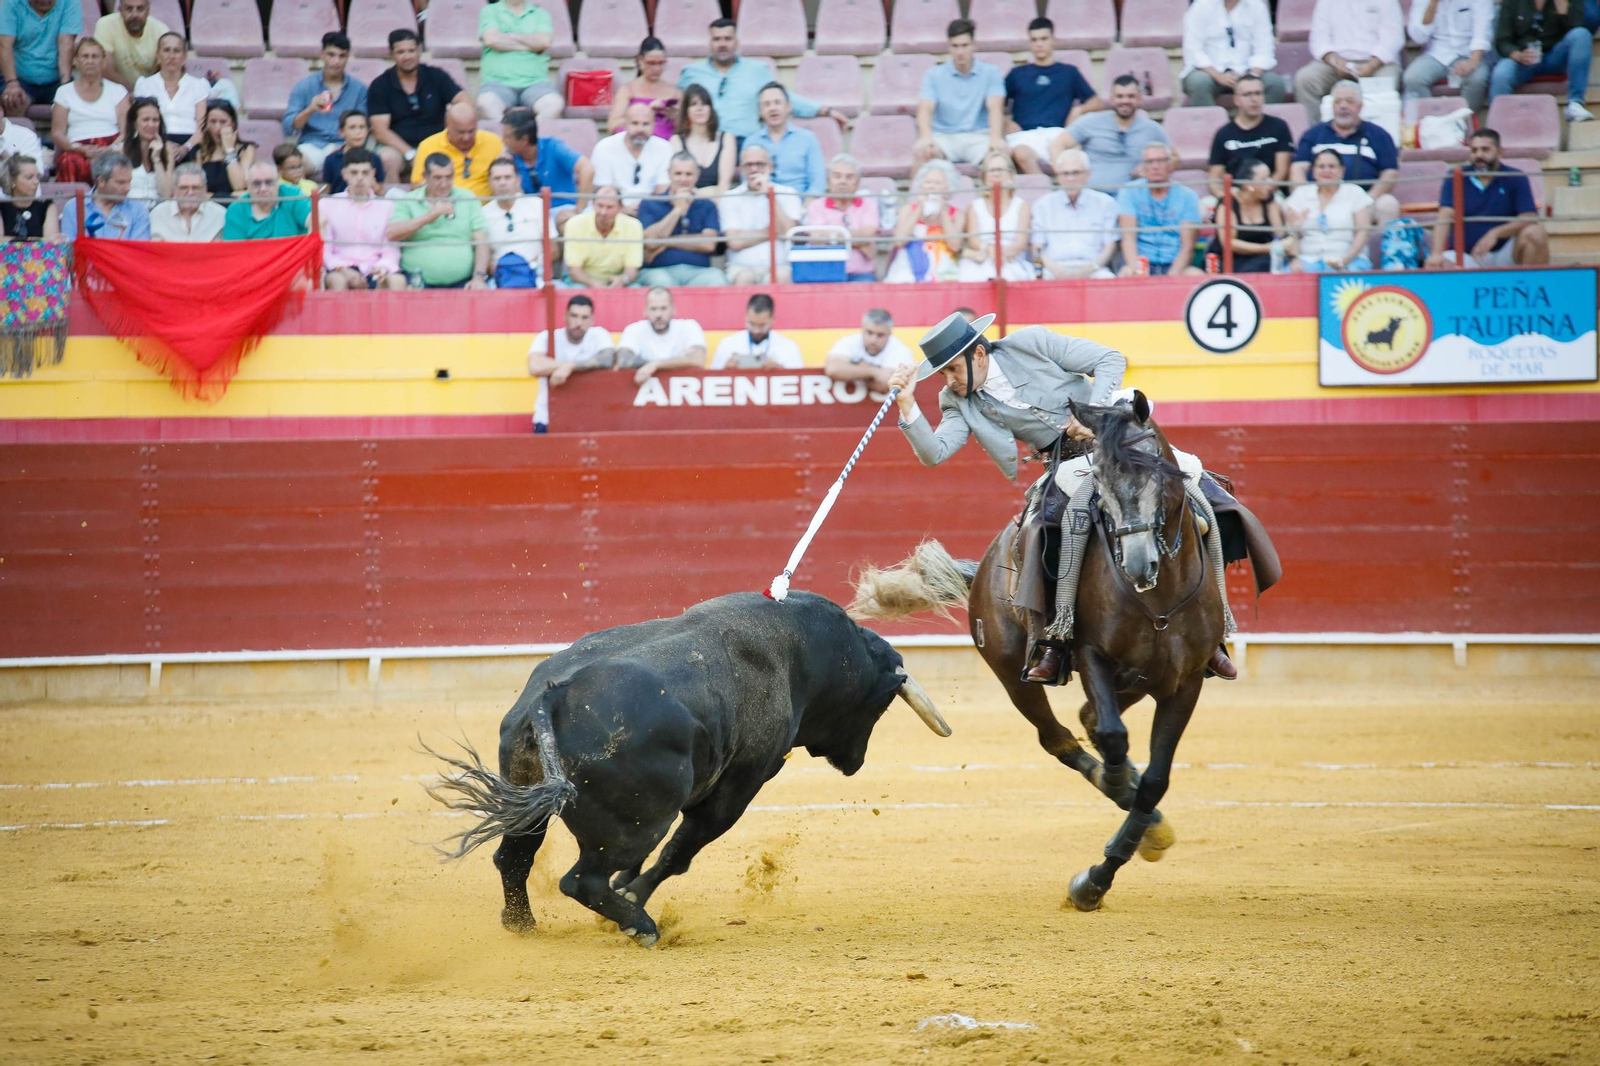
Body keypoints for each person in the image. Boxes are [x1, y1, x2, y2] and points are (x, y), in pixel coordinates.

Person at [884, 312, 1240, 683]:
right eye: (942, 374)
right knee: (1039, 534)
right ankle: (1053, 640)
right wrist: (907, 404)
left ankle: (1210, 633)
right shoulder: (956, 401)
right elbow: (935, 452)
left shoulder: (1031, 342)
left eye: (953, 369)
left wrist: (1093, 416)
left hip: (1119, 439)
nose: (949, 381)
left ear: (978, 355)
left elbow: (1109, 359)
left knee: (1206, 497)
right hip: (1067, 464)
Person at [677, 17, 848, 140]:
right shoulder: (692, 73)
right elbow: (675, 102)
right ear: (710, 42)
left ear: (736, 42)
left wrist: (826, 111)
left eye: (727, 39)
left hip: (747, 141)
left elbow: (785, 99)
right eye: (717, 39)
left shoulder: (757, 70)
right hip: (708, 142)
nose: (722, 44)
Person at [1427, 128, 1550, 267]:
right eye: (1474, 150)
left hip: (1504, 253)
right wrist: (1436, 254)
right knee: (1438, 264)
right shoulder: (1456, 176)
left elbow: (1529, 217)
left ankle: (1529, 286)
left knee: (1535, 233)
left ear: (1500, 151)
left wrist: (1495, 233)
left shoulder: (1515, 177)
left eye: (1485, 150)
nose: (1479, 155)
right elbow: (1445, 215)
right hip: (1465, 257)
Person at [1291, 80, 1400, 226]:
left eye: (1350, 101)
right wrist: (1305, 197)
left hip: (1365, 199)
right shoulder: (1313, 134)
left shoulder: (1379, 134)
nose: (1343, 106)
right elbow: (1298, 168)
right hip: (1319, 201)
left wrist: (1367, 200)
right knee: (1288, 205)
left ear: (1360, 106)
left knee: (1388, 204)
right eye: (1338, 102)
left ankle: (1383, 249)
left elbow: (1390, 172)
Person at [367, 28, 470, 181]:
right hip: (399, 149)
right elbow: (380, 131)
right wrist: (411, 154)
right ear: (391, 54)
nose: (407, 56)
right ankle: (393, 202)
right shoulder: (380, 85)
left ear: (420, 51)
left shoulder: (436, 76)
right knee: (386, 158)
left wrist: (451, 123)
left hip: (437, 144)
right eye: (400, 52)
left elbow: (465, 102)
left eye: (411, 51)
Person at [1005, 17, 1099, 175]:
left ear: (1053, 40)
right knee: (1021, 155)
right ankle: (1046, 194)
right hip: (1026, 136)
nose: (1039, 44)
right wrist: (1006, 121)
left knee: (1076, 152)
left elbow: (1096, 102)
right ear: (1029, 42)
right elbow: (995, 104)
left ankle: (1064, 190)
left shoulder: (1069, 72)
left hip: (1059, 134)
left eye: (1043, 38)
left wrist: (1079, 110)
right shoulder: (1017, 74)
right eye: (1034, 40)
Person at [1052, 75, 1169, 193]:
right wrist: (1063, 173)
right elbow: (1056, 145)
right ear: (1111, 99)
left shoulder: (1152, 128)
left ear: (1139, 98)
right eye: (1120, 96)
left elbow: (1173, 157)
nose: (1125, 101)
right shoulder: (1091, 121)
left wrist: (1148, 167)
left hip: (1134, 199)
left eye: (1131, 96)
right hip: (1093, 197)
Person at [1294, 0, 1403, 127]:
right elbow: (1318, 39)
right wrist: (1334, 61)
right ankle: (1316, 135)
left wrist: (1372, 65)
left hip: (1378, 62)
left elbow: (1393, 37)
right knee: (1305, 79)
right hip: (1335, 63)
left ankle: (1382, 136)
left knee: (1387, 81)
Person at [914, 18, 1006, 169]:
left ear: (974, 45)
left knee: (1000, 160)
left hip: (979, 136)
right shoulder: (933, 75)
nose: (960, 52)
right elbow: (925, 108)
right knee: (922, 154)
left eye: (965, 45)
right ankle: (916, 193)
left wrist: (996, 138)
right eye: (955, 46)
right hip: (944, 137)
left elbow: (995, 107)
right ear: (949, 47)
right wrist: (925, 137)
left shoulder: (991, 72)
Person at [386, 152, 489, 288]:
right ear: (425, 177)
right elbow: (392, 233)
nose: (444, 184)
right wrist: (430, 216)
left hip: (463, 282)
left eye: (448, 177)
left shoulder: (467, 198)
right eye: (437, 178)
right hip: (418, 283)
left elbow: (481, 241)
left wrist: (479, 277)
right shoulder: (409, 200)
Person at [1489, 0, 1594, 122]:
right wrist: (1517, 54)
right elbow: (1502, 40)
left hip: (1555, 56)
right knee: (1501, 72)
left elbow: (1577, 32)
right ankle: (1499, 122)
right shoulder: (1512, 2)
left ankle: (1575, 103)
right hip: (1524, 58)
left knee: (1582, 34)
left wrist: (1563, 10)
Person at [527, 294, 616, 432]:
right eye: (574, 316)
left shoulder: (599, 335)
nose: (579, 323)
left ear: (592, 320)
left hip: (589, 418)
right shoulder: (546, 336)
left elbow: (608, 359)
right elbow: (534, 366)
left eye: (584, 318)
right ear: (565, 317)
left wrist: (570, 366)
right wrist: (566, 366)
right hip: (547, 419)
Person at [637, 151, 726, 287]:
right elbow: (650, 241)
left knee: (717, 279)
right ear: (669, 174)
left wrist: (666, 242)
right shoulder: (650, 202)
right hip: (658, 271)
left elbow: (709, 244)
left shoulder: (707, 205)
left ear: (697, 175)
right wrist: (677, 209)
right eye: (678, 174)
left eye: (688, 174)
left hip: (699, 272)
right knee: (662, 283)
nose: (683, 179)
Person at [283, 32, 368, 172]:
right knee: (295, 165)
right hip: (312, 146)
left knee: (353, 164)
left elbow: (363, 127)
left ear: (348, 57)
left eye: (342, 56)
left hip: (345, 146)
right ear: (322, 54)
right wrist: (310, 109)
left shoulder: (359, 89)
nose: (336, 61)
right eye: (331, 55)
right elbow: (289, 128)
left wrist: (346, 146)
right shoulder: (304, 86)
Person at [1117, 141, 1203, 276]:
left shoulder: (1188, 196)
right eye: (1149, 162)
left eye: (1161, 161)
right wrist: (1137, 271)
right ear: (1143, 166)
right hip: (1141, 262)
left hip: (1174, 264)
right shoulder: (1129, 192)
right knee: (1126, 273)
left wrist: (1170, 278)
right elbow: (1128, 238)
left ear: (1170, 165)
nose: (1155, 167)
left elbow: (1188, 246)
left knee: (1196, 275)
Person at [51, 39, 130, 185]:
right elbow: (57, 133)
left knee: (114, 164)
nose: (90, 61)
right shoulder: (64, 92)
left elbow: (127, 131)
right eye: (85, 56)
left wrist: (108, 149)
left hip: (111, 145)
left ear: (103, 61)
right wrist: (80, 149)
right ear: (75, 61)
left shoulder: (117, 91)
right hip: (75, 148)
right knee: (70, 161)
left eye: (95, 56)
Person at [321, 148, 404, 288]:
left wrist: (382, 268)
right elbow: (325, 248)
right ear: (344, 174)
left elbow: (391, 249)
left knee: (396, 281)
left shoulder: (387, 207)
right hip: (340, 267)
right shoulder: (327, 204)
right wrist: (343, 269)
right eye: (354, 172)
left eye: (365, 173)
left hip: (375, 266)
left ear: (373, 174)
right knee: (338, 281)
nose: (360, 178)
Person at [720, 143, 802, 285]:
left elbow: (789, 233)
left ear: (770, 167)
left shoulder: (787, 193)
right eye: (748, 165)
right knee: (744, 278)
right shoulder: (730, 197)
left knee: (781, 277)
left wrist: (770, 195)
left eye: (760, 164)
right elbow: (734, 242)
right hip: (742, 268)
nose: (754, 169)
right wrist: (772, 231)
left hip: (780, 266)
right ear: (740, 169)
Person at [1030, 148, 1119, 279]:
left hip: (1094, 268)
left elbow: (1109, 247)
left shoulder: (1105, 203)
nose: (1070, 179)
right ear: (1058, 176)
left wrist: (1089, 269)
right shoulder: (1043, 205)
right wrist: (1056, 270)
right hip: (1053, 268)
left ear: (1087, 175)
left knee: (1107, 280)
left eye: (1076, 173)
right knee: (1036, 281)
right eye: (1065, 173)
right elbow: (1037, 247)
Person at [1282, 147, 1375, 271]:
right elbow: (1291, 235)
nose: (1326, 171)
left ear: (1342, 170)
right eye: (1321, 167)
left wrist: (1345, 260)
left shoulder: (1355, 193)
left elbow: (1363, 232)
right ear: (1314, 171)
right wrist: (1294, 259)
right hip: (1307, 259)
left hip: (1348, 259)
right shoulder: (1301, 194)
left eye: (1332, 166)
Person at [1180, 0, 1284, 108]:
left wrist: (1251, 77)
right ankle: (1210, 123)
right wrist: (1218, 76)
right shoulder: (1200, 6)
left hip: (1247, 72)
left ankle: (1260, 124)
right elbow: (1193, 49)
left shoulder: (1257, 6)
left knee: (1274, 83)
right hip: (1211, 73)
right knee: (1199, 82)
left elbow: (1264, 49)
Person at [500, 106, 590, 230]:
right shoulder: (509, 159)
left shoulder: (553, 147)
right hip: (531, 216)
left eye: (508, 137)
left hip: (563, 208)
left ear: (524, 140)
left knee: (568, 225)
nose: (503, 141)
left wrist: (579, 210)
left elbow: (587, 169)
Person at [1205, 73, 1293, 199]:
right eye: (1247, 94)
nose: (1254, 99)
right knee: (1204, 207)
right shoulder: (1223, 134)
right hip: (1236, 194)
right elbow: (1214, 178)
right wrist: (1226, 198)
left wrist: (1258, 193)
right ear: (1236, 100)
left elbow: (1281, 172)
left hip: (1270, 192)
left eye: (1258, 93)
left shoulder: (1279, 127)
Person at [477, 0, 562, 124]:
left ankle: (528, 137)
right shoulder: (490, 11)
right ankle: (509, 136)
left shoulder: (540, 14)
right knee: (485, 103)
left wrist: (507, 35)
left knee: (554, 104)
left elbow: (544, 42)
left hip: (536, 83)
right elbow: (491, 40)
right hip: (497, 83)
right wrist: (530, 44)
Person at [801, 153, 881, 283]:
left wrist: (831, 237)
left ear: (858, 183)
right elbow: (817, 238)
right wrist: (859, 242)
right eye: (837, 176)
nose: (842, 181)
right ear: (828, 181)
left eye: (849, 177)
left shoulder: (869, 205)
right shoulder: (816, 206)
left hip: (861, 275)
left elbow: (868, 234)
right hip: (823, 273)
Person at [1403, 0, 1493, 114]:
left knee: (1477, 79)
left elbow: (1482, 31)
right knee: (1413, 78)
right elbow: (1418, 37)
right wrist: (1432, 4)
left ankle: (1465, 123)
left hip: (1468, 52)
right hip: (1436, 52)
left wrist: (1473, 61)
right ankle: (1431, 122)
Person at [959, 150, 1036, 282]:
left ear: (1011, 174)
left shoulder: (1022, 206)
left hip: (1012, 259)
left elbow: (1021, 243)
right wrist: (990, 250)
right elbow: (974, 240)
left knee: (1008, 276)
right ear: (984, 177)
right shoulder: (974, 206)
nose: (996, 174)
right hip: (983, 256)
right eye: (992, 170)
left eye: (1000, 169)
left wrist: (1002, 254)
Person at [883, 159, 963, 283]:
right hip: (908, 265)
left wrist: (943, 213)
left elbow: (955, 245)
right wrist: (918, 210)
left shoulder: (957, 214)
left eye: (937, 183)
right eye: (928, 182)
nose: (931, 186)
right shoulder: (908, 209)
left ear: (949, 187)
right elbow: (899, 241)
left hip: (943, 267)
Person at [133, 32, 207, 161]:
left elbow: (202, 128)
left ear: (184, 56)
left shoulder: (198, 85)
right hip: (154, 141)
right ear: (157, 54)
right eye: (166, 50)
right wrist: (162, 145)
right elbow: (140, 123)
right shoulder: (144, 85)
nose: (171, 56)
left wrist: (186, 148)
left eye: (176, 51)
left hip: (191, 144)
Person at [0, 0, 81, 118]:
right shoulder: (11, 3)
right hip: (20, 78)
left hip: (56, 79)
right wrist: (12, 83)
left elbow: (66, 45)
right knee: (13, 102)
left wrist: (65, 86)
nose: (45, 1)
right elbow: (4, 45)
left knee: (73, 104)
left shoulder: (70, 3)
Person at [482, 154, 552, 288]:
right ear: (490, 183)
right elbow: (484, 255)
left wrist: (532, 266)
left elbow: (552, 247)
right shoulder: (483, 214)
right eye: (497, 178)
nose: (502, 183)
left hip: (536, 275)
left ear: (518, 180)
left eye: (507, 177)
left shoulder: (537, 205)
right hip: (499, 279)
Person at [745, 82, 825, 198]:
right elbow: (747, 183)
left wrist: (805, 209)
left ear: (788, 106)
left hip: (801, 206)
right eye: (767, 104)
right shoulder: (751, 142)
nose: (773, 108)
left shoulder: (807, 139)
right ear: (760, 111)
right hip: (762, 205)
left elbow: (817, 184)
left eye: (778, 103)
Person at [616, 285, 707, 385]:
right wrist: (680, 362)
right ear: (645, 311)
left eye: (663, 308)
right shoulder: (634, 329)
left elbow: (698, 359)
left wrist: (656, 365)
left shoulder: (689, 327)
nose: (658, 314)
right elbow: (623, 360)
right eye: (653, 309)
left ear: (673, 310)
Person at [411, 100, 504, 197]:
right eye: (461, 132)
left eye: (471, 131)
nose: (466, 137)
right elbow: (417, 186)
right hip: (444, 207)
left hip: (486, 208)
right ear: (447, 125)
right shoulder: (428, 146)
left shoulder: (494, 142)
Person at [590, 101, 672, 212]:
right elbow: (603, 189)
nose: (640, 129)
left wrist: (645, 208)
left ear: (653, 125)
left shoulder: (665, 148)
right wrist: (623, 209)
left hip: (652, 210)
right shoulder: (604, 147)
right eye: (635, 123)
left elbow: (662, 189)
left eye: (646, 124)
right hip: (612, 209)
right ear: (625, 124)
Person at [1207, 156, 1284, 272]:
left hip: (1264, 259)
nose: (1270, 182)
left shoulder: (1269, 201)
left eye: (1270, 177)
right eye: (1264, 179)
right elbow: (1229, 243)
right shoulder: (1227, 203)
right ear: (1249, 185)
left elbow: (1279, 234)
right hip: (1229, 260)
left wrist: (1293, 228)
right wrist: (1266, 248)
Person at [561, 184, 642, 287]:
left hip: (617, 280)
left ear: (620, 207)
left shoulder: (633, 226)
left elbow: (632, 270)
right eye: (600, 206)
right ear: (593, 204)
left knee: (635, 288)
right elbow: (574, 271)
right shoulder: (575, 224)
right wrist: (593, 283)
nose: (603, 212)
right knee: (577, 290)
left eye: (610, 207)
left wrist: (623, 280)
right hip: (583, 281)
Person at [59, 150, 151, 238]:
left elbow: (139, 251)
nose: (128, 188)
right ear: (101, 181)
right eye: (121, 183)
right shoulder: (73, 207)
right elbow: (70, 249)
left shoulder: (138, 209)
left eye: (129, 181)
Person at [669, 82, 736, 199]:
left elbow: (724, 183)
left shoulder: (727, 138)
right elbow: (680, 181)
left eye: (704, 104)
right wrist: (705, 202)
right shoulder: (676, 141)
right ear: (686, 111)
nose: (699, 109)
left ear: (710, 108)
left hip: (721, 201)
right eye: (693, 104)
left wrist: (716, 204)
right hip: (688, 200)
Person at [824, 308, 914, 391]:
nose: (873, 340)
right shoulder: (849, 341)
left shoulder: (900, 350)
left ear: (889, 334)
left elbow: (884, 386)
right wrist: (875, 372)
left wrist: (855, 368)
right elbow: (833, 369)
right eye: (869, 332)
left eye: (880, 335)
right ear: (862, 329)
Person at [608, 36, 676, 140]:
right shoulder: (627, 90)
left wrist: (675, 117)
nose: (656, 68)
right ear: (640, 61)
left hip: (666, 145)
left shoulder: (674, 91)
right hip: (633, 142)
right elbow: (612, 125)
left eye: (661, 63)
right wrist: (644, 112)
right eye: (651, 63)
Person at [710, 293, 804, 369]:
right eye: (751, 324)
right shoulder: (728, 344)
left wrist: (779, 371)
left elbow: (799, 383)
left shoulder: (788, 347)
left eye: (762, 325)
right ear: (745, 316)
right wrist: (726, 371)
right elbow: (711, 381)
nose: (756, 330)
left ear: (772, 319)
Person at [221, 161, 311, 239]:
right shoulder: (236, 210)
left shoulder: (292, 195)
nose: (263, 189)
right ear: (247, 184)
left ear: (277, 181)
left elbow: (317, 221)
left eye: (269, 182)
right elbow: (235, 251)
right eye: (256, 183)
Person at [93, 0, 165, 91]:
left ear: (148, 10)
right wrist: (135, 93)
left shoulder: (161, 31)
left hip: (149, 93)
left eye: (140, 9)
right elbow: (107, 71)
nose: (135, 14)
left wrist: (143, 95)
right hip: (112, 91)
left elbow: (162, 73)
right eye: (129, 9)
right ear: (120, 10)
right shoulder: (105, 24)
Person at [117, 95, 174, 202]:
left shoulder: (167, 149)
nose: (151, 124)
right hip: (130, 208)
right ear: (134, 123)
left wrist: (156, 158)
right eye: (145, 120)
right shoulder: (121, 150)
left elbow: (167, 194)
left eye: (155, 120)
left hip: (158, 210)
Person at [149, 161, 224, 241]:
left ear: (205, 189)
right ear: (174, 190)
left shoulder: (219, 215)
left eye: (196, 187)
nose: (190, 193)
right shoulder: (158, 214)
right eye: (184, 188)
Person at [196, 99, 251, 198]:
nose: (217, 127)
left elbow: (239, 186)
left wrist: (229, 150)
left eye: (223, 122)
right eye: (213, 122)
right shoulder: (199, 152)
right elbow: (197, 192)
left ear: (233, 123)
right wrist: (229, 196)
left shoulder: (246, 149)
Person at [320, 110, 385, 194]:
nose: (358, 132)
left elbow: (380, 192)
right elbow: (327, 189)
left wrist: (373, 184)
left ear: (368, 131)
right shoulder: (331, 159)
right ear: (341, 132)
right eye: (352, 127)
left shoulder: (375, 159)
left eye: (362, 127)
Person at [0, 153, 57, 239]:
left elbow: (50, 243)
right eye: (29, 177)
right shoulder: (2, 207)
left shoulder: (47, 206)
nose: (36, 182)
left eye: (37, 177)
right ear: (12, 180)